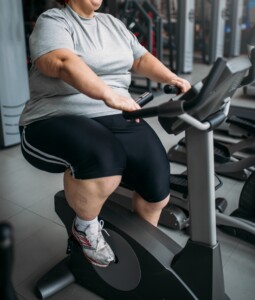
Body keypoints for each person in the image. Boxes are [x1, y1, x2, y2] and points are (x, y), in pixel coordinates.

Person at [19, 0, 191, 268]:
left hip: (114, 113)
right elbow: (62, 62)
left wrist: (174, 79)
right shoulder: (54, 20)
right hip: (56, 115)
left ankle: (142, 246)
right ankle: (85, 230)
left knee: (157, 180)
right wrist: (108, 94)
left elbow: (140, 57)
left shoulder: (112, 24)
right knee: (103, 159)